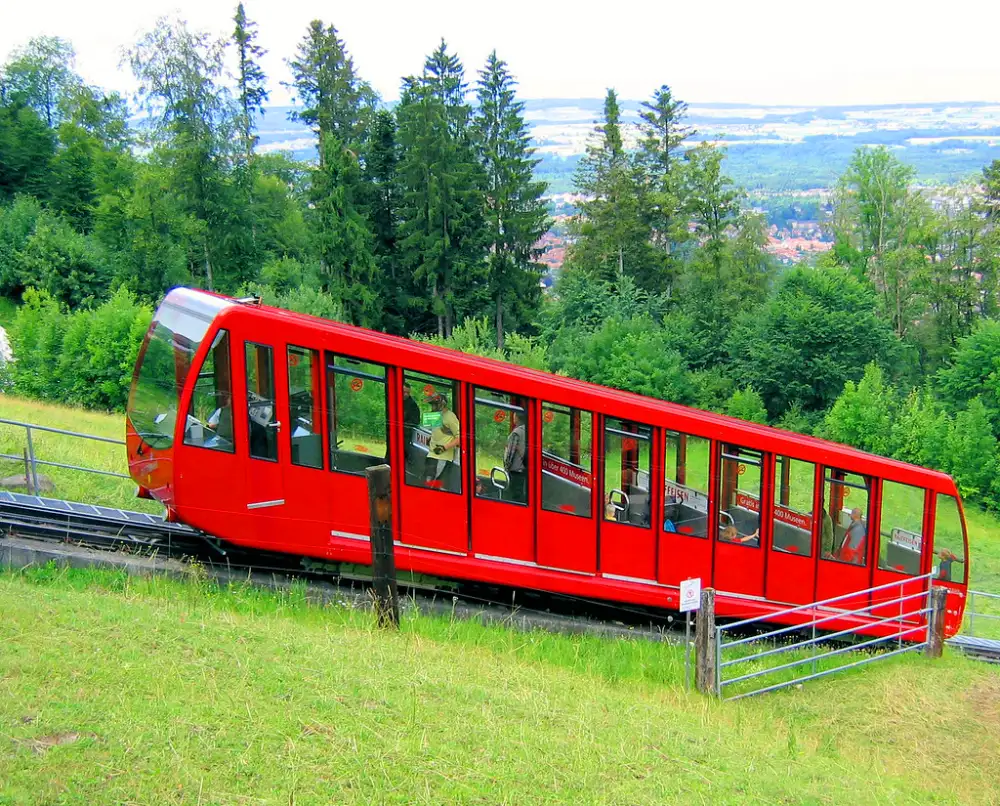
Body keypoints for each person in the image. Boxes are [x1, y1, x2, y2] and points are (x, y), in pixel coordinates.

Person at [424, 393, 460, 486]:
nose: (432, 407)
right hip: (431, 454)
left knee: (432, 484)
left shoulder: (450, 416)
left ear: (441, 404)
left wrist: (444, 447)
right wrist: (431, 438)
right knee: (427, 482)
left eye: (434, 404)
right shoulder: (435, 415)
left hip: (442, 457)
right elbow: (435, 430)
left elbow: (460, 438)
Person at [503, 410, 527, 502]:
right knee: (520, 492)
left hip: (515, 469)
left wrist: (506, 468)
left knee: (514, 495)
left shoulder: (516, 433)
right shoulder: (529, 430)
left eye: (514, 416)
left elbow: (510, 453)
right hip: (524, 469)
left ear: (516, 418)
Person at [402, 383, 421, 466]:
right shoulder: (393, 399)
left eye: (408, 393)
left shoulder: (413, 405)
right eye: (404, 392)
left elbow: (415, 421)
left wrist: (404, 427)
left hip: (406, 436)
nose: (406, 394)